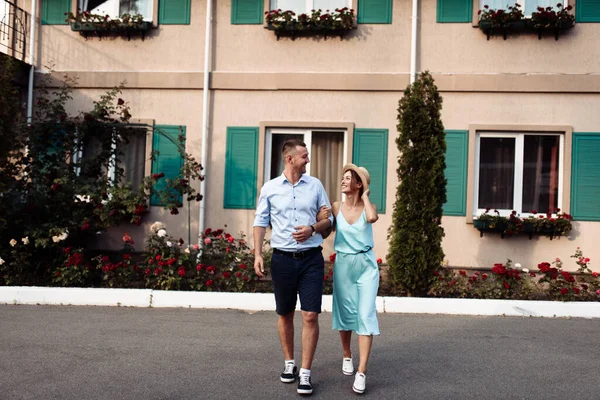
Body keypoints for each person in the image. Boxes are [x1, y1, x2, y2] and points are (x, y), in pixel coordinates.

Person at [253, 139, 333, 396]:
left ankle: (306, 374)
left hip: (311, 259)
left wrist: (313, 228)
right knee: (285, 312)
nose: (308, 160)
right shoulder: (270, 188)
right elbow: (260, 222)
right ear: (289, 159)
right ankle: (290, 364)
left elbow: (329, 220)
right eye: (304, 156)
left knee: (310, 315)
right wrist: (257, 254)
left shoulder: (316, 186)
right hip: (283, 259)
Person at [317, 163, 379, 394]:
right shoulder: (335, 206)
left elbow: (372, 218)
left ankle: (362, 371)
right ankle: (346, 354)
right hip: (343, 264)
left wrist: (365, 197)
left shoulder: (368, 207)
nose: (342, 181)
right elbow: (325, 231)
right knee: (344, 313)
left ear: (359, 184)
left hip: (366, 265)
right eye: (342, 177)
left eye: (347, 178)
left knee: (365, 314)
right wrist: (318, 219)